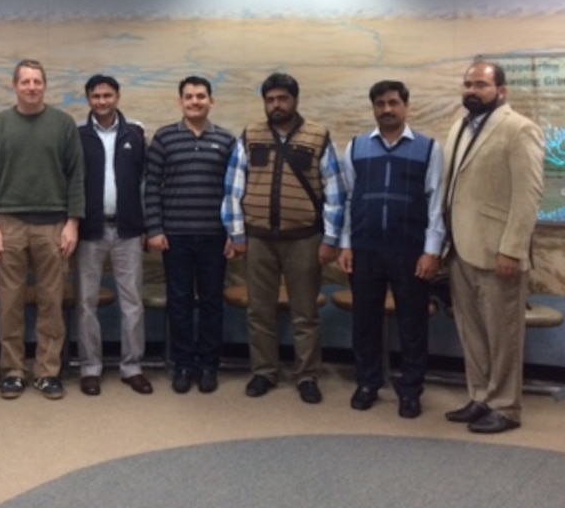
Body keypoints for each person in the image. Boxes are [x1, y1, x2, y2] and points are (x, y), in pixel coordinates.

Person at [222, 72, 344, 404]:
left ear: (295, 100)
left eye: (282, 98)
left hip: (304, 239)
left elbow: (334, 191)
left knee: (305, 313)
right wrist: (237, 234)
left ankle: (307, 375)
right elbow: (234, 189)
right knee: (259, 312)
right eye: (270, 99)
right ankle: (264, 371)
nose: (276, 105)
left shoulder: (318, 136)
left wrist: (330, 239)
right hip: (258, 239)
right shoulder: (250, 135)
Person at [443, 61, 543, 434]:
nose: (472, 90)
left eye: (481, 84)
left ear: (501, 90)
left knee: (503, 335)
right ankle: (481, 396)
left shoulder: (519, 130)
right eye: (468, 83)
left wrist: (512, 250)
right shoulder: (459, 127)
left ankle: (506, 407)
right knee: (472, 333)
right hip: (460, 249)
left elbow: (528, 195)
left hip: (497, 252)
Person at [338, 80, 446, 419]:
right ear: (373, 108)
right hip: (365, 250)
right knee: (364, 321)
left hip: (410, 251)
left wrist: (432, 251)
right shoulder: (356, 147)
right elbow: (347, 199)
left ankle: (411, 390)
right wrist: (345, 244)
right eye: (380, 104)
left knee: (412, 324)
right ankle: (368, 383)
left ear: (406, 106)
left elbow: (436, 203)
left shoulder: (429, 149)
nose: (387, 109)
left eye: (393, 103)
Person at [0, 59, 84, 400]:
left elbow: (76, 178)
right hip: (8, 225)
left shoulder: (63, 124)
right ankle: (12, 370)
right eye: (25, 81)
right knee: (9, 302)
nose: (31, 87)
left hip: (53, 225)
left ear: (44, 85)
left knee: (51, 302)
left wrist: (72, 223)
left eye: (37, 81)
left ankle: (47, 371)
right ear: (14, 86)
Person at [145, 76, 236, 395]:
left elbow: (235, 192)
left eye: (201, 96)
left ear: (211, 101)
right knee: (180, 302)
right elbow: (152, 186)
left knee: (212, 303)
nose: (195, 101)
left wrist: (233, 233)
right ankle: (182, 365)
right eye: (188, 97)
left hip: (214, 237)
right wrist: (154, 229)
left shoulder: (226, 140)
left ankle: (209, 365)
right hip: (176, 236)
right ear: (180, 102)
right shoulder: (165, 138)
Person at [77, 75, 152, 396]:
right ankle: (90, 367)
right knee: (85, 302)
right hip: (89, 231)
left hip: (129, 230)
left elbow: (145, 182)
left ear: (118, 96)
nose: (102, 101)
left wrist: (148, 225)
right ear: (89, 100)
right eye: (96, 96)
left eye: (108, 95)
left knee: (132, 302)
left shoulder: (134, 135)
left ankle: (132, 366)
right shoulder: (78, 136)